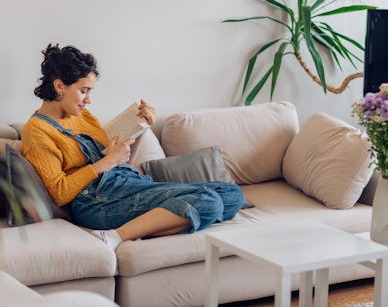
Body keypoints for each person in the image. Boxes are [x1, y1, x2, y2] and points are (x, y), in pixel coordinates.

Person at [21, 44, 245, 250]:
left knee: (232, 194)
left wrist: (141, 127)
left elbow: (121, 162)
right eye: (84, 90)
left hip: (124, 184)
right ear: (59, 86)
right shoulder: (37, 131)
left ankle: (152, 225)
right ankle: (114, 236)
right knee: (209, 202)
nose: (89, 99)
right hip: (95, 203)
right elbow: (59, 193)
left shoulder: (82, 116)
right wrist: (107, 161)